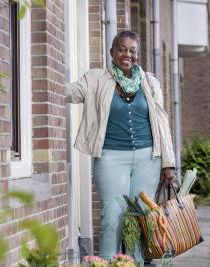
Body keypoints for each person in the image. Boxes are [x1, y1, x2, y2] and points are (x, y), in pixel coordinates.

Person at [66, 31, 176, 264]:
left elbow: (162, 123)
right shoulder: (96, 79)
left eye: (132, 50)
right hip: (110, 158)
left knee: (140, 216)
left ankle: (135, 262)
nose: (127, 54)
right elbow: (69, 92)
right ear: (112, 52)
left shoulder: (150, 81)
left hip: (148, 158)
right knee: (112, 216)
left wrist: (168, 163)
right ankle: (107, 262)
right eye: (122, 49)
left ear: (137, 54)